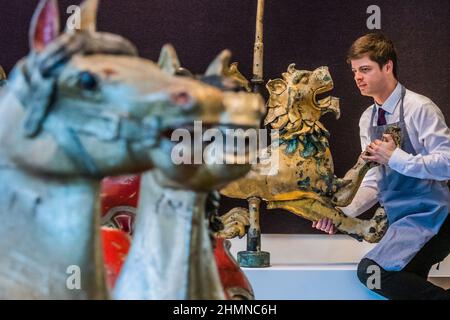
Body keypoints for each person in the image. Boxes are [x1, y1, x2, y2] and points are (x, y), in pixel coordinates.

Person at [313, 33, 450, 300]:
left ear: (387, 66)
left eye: (365, 69)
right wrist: (340, 214)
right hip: (402, 221)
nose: (357, 78)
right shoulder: (367, 119)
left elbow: (447, 164)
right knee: (406, 285)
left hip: (435, 217)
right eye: (354, 71)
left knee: (372, 272)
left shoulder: (420, 108)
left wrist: (396, 157)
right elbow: (375, 181)